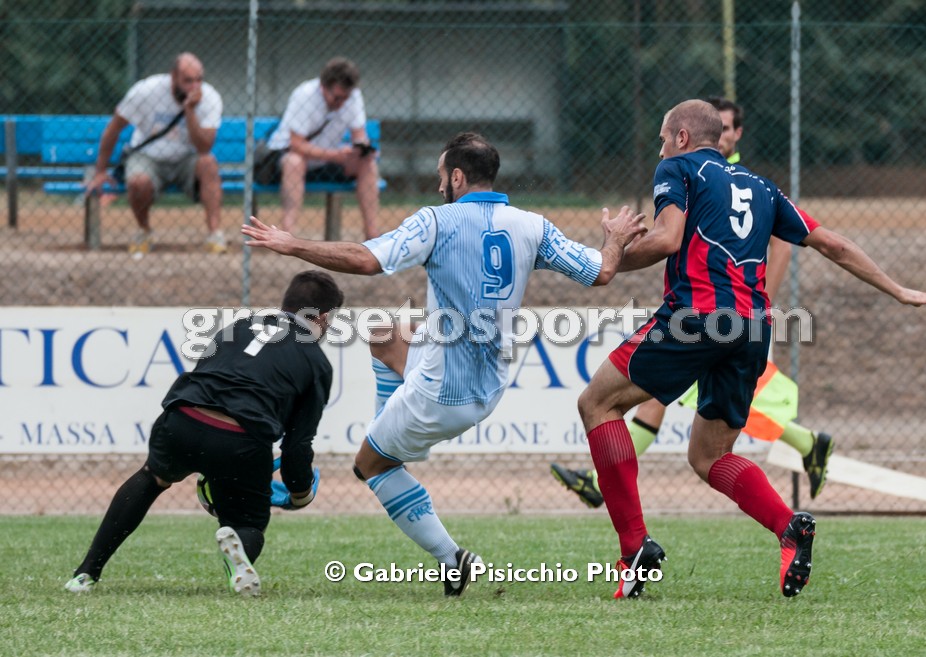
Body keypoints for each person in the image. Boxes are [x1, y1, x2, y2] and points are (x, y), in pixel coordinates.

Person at [242, 132, 646, 596]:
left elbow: (367, 259)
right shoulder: (532, 225)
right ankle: (396, 433)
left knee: (370, 465)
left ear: (457, 177)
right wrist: (615, 239)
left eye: (441, 176)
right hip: (489, 384)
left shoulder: (437, 221)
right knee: (385, 335)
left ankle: (452, 559)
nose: (438, 186)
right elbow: (602, 271)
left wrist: (292, 243)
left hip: (441, 394)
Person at [577, 99, 926, 600]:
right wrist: (900, 290)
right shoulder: (763, 187)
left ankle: (634, 549)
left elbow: (666, 239)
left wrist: (607, 256)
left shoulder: (677, 168)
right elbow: (833, 244)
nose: (660, 148)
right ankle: (788, 528)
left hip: (697, 318)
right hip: (751, 328)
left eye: (663, 138)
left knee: (597, 403)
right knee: (710, 456)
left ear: (682, 137)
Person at [552, 96, 834, 507]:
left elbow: (677, 239)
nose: (725, 135)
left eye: (730, 127)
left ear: (733, 134)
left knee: (624, 402)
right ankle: (803, 461)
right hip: (737, 319)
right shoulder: (737, 179)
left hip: (711, 315)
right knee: (703, 442)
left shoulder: (707, 173)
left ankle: (605, 489)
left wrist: (606, 260)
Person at [64, 271, 342, 596]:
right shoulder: (317, 362)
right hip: (240, 440)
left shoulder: (238, 326)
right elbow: (297, 444)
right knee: (249, 523)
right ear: (323, 317)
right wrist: (299, 492)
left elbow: (208, 376)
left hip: (182, 418)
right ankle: (238, 552)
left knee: (152, 478)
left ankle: (86, 573)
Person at [86, 52, 226, 257]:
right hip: (147, 156)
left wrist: (189, 111)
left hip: (186, 159)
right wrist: (100, 171)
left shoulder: (210, 97)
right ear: (173, 77)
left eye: (198, 80)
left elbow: (204, 147)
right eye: (188, 81)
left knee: (209, 163)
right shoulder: (146, 91)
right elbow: (113, 128)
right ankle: (144, 231)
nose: (194, 87)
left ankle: (215, 235)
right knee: (138, 182)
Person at [264, 57, 380, 238]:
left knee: (368, 165)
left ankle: (372, 235)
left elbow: (359, 135)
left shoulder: (354, 96)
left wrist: (362, 150)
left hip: (327, 160)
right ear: (323, 87)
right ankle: (287, 234)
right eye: (337, 97)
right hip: (288, 160)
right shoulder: (304, 95)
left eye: (346, 98)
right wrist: (335, 155)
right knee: (294, 162)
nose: (341, 103)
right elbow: (296, 144)